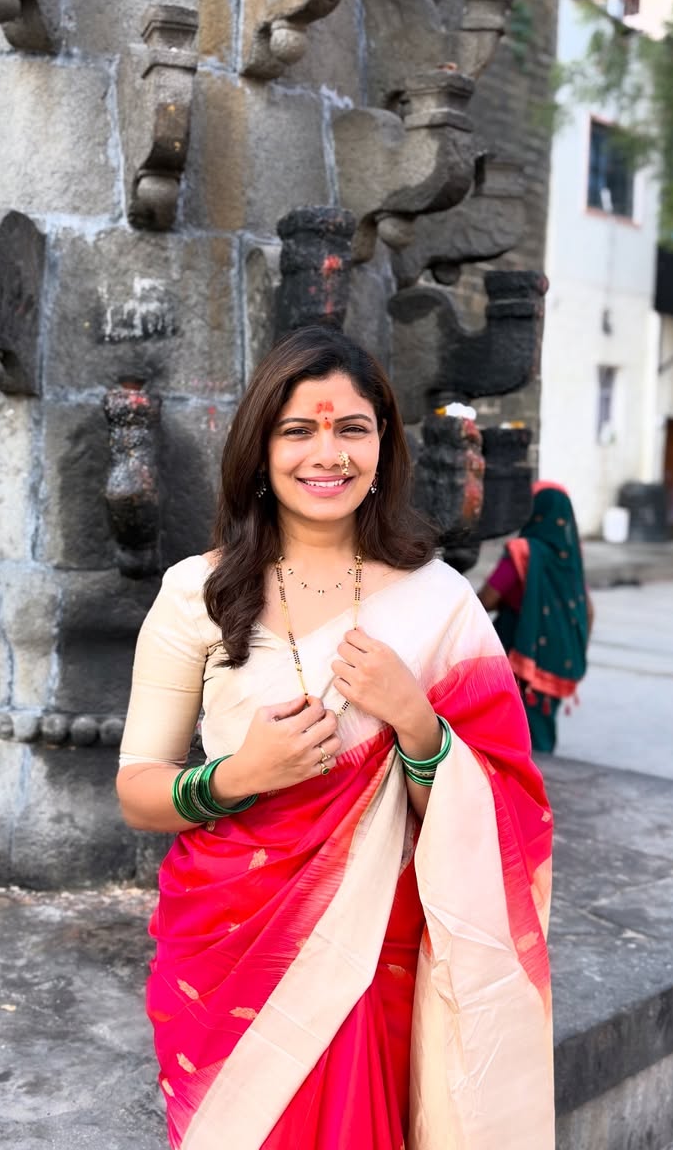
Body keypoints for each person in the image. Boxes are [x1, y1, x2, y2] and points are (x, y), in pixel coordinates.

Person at [116, 327, 554, 1149]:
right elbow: (139, 789)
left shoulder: (440, 603)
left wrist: (417, 722)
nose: (329, 454)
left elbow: (508, 812)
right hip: (230, 945)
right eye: (299, 430)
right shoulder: (194, 593)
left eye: (352, 428)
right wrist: (235, 776)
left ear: (383, 445)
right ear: (260, 449)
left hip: (375, 957)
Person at [478, 483, 593, 754]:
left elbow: (487, 599)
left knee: (518, 734)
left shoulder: (525, 551)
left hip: (519, 656)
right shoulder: (570, 556)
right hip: (557, 660)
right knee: (541, 727)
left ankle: (531, 789)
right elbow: (588, 611)